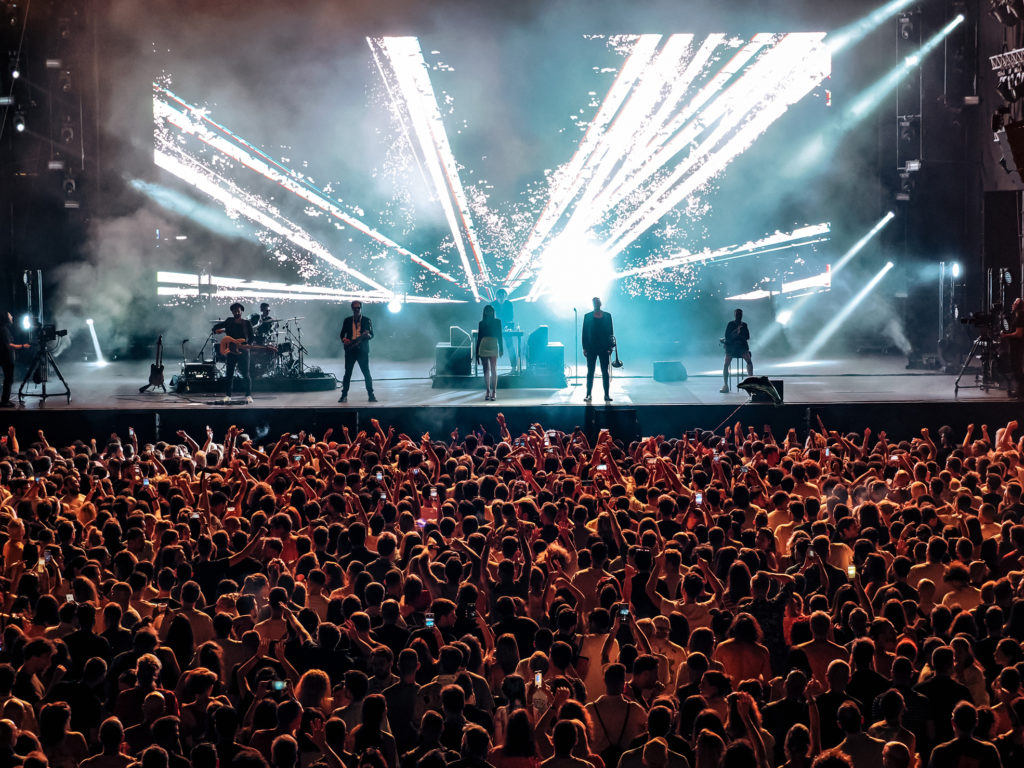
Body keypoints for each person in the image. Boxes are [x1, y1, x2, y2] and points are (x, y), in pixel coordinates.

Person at [211, 303, 254, 403]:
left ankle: (248, 395)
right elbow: (217, 326)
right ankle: (228, 395)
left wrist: (247, 344)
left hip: (243, 351)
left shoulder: (246, 323)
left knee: (245, 374)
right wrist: (215, 330)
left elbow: (251, 337)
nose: (236, 312)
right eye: (234, 310)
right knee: (229, 374)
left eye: (238, 310)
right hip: (231, 352)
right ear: (232, 312)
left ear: (242, 311)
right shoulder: (229, 321)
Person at [339, 300, 376, 403]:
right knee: (347, 374)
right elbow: (342, 334)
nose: (356, 310)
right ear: (352, 308)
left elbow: (372, 334)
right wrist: (344, 340)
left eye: (358, 308)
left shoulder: (366, 320)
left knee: (366, 373)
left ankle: (371, 395)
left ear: (361, 308)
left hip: (362, 350)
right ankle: (344, 395)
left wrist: (367, 335)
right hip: (350, 350)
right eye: (354, 308)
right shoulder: (347, 320)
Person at [581, 296, 614, 403]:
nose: (596, 304)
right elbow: (584, 333)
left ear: (600, 303)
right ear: (593, 304)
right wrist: (584, 347)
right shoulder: (587, 316)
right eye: (594, 302)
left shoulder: (608, 316)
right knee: (590, 371)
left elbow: (610, 333)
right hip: (591, 347)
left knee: (605, 371)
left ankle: (607, 395)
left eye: (597, 302)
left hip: (604, 348)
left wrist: (610, 347)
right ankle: (588, 394)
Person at [0, 311, 29, 407]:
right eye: (10, 315)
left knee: (9, 380)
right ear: (6, 318)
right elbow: (9, 345)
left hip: (7, 358)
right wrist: (23, 346)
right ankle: (4, 402)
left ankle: (5, 400)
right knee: (8, 380)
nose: (12, 317)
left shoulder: (5, 329)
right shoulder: (4, 330)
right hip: (7, 359)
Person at [721, 307, 753, 393]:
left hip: (742, 348)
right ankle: (725, 385)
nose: (739, 315)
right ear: (734, 315)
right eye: (737, 314)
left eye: (740, 314)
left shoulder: (744, 325)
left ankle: (751, 384)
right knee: (726, 365)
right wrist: (736, 333)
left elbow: (747, 336)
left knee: (749, 362)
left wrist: (739, 336)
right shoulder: (730, 324)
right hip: (731, 349)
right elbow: (727, 336)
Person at [476, 306, 504, 402]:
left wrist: (501, 348)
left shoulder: (497, 322)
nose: (489, 312)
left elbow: (500, 335)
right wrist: (476, 353)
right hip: (483, 345)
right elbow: (479, 338)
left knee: (493, 369)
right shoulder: (481, 323)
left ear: (493, 311)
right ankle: (488, 391)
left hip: (493, 345)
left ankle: (494, 391)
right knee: (486, 370)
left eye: (491, 310)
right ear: (484, 312)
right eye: (487, 311)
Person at [1000, 297, 1024, 397]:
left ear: (1018, 306)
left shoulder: (1020, 316)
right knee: (1017, 368)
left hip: (1018, 347)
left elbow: (1019, 334)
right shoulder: (1018, 315)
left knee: (1016, 368)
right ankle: (1020, 391)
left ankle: (1020, 391)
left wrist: (1006, 336)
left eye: (1014, 303)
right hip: (1017, 346)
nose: (1012, 304)